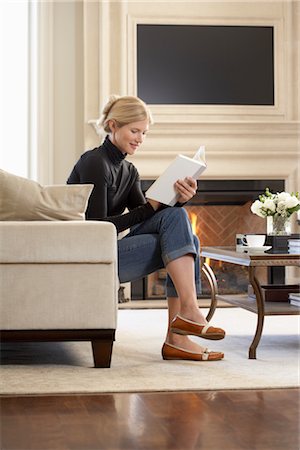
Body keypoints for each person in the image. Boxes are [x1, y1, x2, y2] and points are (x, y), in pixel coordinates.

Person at [67, 95, 225, 362]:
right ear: (113, 125)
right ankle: (182, 327)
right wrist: (151, 207)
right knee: (182, 231)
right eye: (135, 131)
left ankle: (180, 332)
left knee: (177, 219)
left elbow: (148, 218)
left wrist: (180, 197)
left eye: (144, 133)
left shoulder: (128, 170)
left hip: (112, 251)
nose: (140, 138)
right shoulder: (94, 162)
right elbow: (96, 228)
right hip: (90, 254)